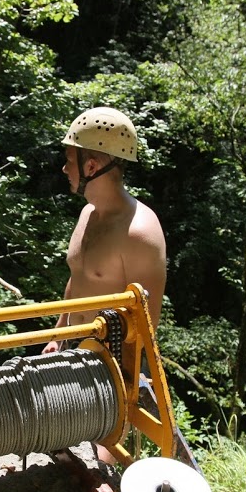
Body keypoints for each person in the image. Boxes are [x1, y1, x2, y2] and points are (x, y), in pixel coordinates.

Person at [42, 106, 167, 352]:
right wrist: (58, 336)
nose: (65, 169)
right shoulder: (87, 214)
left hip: (111, 364)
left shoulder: (139, 232)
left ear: (91, 167)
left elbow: (145, 324)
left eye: (69, 161)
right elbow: (78, 278)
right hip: (74, 348)